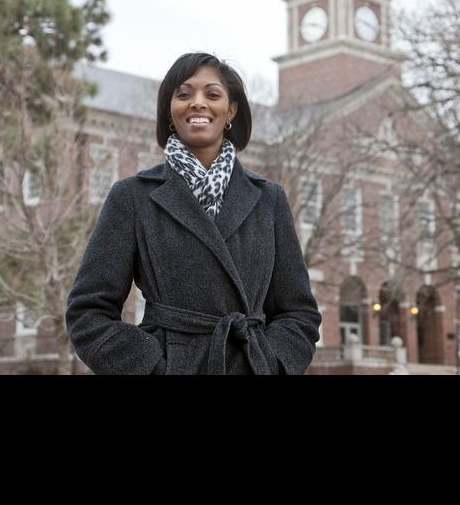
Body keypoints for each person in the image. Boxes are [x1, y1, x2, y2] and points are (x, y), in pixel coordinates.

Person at [65, 52, 321, 374]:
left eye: (212, 94)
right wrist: (154, 367)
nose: (198, 103)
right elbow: (87, 313)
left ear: (230, 111)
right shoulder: (132, 197)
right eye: (184, 94)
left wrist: (270, 363)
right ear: (170, 112)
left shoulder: (268, 200)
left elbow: (299, 312)